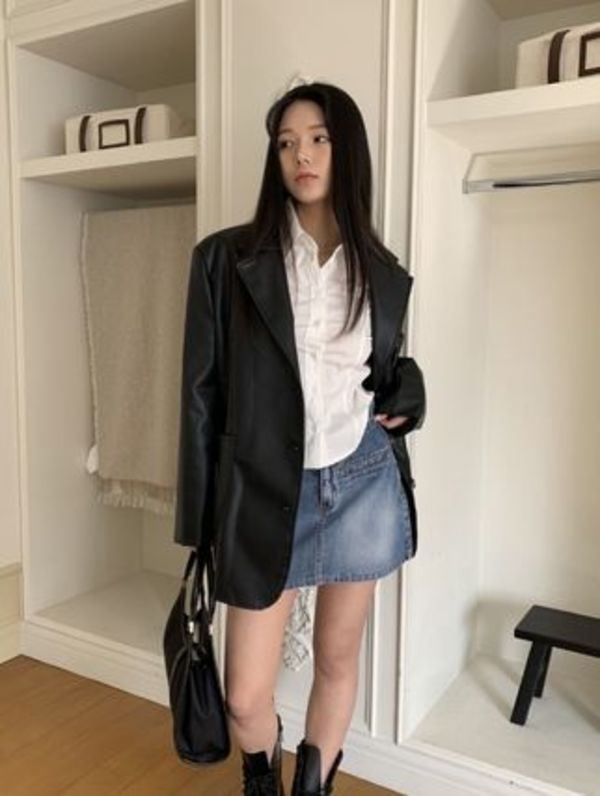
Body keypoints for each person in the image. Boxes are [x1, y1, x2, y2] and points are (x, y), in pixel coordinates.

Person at [173, 80, 426, 796]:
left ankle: (314, 788)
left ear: (347, 151)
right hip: (262, 489)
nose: (301, 155)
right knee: (244, 696)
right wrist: (201, 527)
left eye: (318, 139)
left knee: (337, 661)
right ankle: (264, 780)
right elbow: (200, 396)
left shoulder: (384, 272)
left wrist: (411, 390)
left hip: (361, 483)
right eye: (286, 143)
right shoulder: (225, 260)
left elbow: (379, 371)